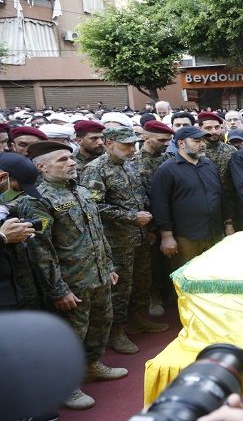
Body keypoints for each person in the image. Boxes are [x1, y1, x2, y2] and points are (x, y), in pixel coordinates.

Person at [21, 141, 127, 410]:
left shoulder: (81, 191)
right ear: (41, 167)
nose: (71, 163)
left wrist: (109, 266)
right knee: (69, 336)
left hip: (98, 275)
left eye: (71, 158)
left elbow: (97, 234)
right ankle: (64, 384)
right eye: (62, 160)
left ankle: (92, 365)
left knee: (101, 323)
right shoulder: (38, 201)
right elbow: (41, 252)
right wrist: (59, 290)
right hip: (71, 282)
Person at [80, 127, 168, 355]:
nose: (132, 149)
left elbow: (139, 197)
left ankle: (139, 319)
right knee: (120, 288)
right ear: (109, 144)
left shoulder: (130, 163)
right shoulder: (95, 170)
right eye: (126, 145)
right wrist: (131, 217)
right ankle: (117, 332)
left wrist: (147, 226)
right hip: (115, 241)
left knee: (141, 280)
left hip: (139, 235)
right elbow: (94, 207)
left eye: (133, 144)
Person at [151, 126, 232, 269]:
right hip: (186, 237)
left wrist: (228, 223)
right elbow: (160, 205)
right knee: (186, 277)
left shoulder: (209, 165)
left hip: (214, 233)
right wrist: (167, 236)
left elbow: (221, 196)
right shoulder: (167, 169)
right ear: (181, 144)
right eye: (196, 141)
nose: (202, 144)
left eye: (202, 141)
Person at [133, 121, 174, 319]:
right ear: (145, 137)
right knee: (151, 264)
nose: (166, 144)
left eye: (169, 140)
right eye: (162, 140)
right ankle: (154, 296)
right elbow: (136, 197)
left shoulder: (169, 158)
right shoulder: (133, 161)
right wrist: (149, 228)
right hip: (146, 223)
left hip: (169, 218)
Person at [0, 153, 40, 310]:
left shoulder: (4, 208)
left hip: (11, 293)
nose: (19, 195)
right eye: (17, 189)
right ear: (3, 177)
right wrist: (3, 237)